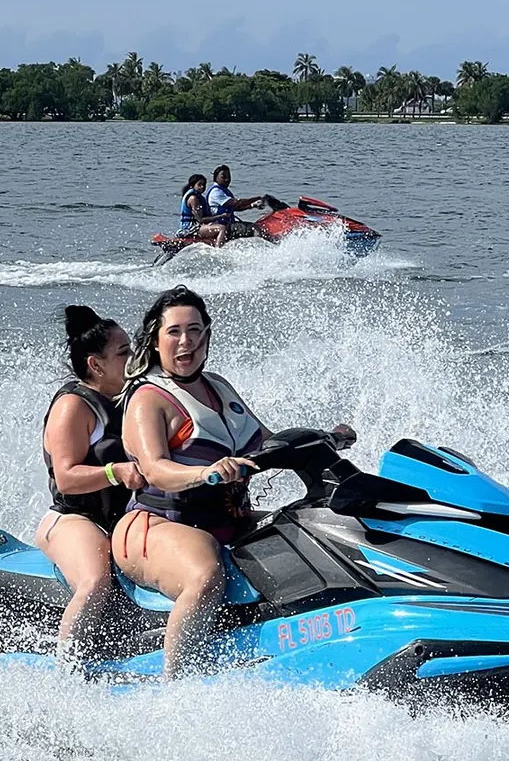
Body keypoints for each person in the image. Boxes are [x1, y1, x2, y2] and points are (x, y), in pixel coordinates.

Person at [113, 285, 353, 679]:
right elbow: (154, 468)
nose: (185, 341)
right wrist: (203, 473)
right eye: (174, 332)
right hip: (157, 525)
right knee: (205, 574)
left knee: (312, 532)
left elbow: (268, 444)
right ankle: (176, 687)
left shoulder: (219, 387)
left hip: (228, 519)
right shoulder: (148, 398)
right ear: (155, 341)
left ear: (207, 335)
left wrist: (325, 439)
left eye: (195, 330)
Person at [36, 305, 146, 656]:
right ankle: (66, 671)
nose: (133, 359)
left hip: (124, 521)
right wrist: (116, 472)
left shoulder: (132, 398)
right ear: (95, 365)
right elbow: (66, 478)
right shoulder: (73, 406)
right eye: (124, 353)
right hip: (74, 521)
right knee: (96, 580)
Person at [205, 165, 265, 245]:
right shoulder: (216, 192)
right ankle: (262, 248)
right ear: (216, 177)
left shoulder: (224, 191)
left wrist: (252, 205)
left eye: (229, 177)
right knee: (254, 228)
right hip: (222, 225)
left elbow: (236, 207)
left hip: (228, 223)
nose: (227, 179)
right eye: (223, 177)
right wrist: (256, 198)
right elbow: (236, 202)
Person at [178, 173, 227, 243]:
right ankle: (218, 250)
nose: (202, 187)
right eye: (199, 184)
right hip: (190, 229)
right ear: (192, 186)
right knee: (221, 228)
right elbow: (200, 220)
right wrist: (221, 216)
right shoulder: (193, 198)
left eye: (204, 184)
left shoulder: (199, 197)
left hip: (197, 226)